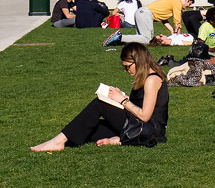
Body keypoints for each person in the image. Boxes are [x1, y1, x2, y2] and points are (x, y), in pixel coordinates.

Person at [31, 44, 168, 151]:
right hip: (139, 125)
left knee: (99, 104)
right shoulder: (143, 78)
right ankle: (119, 139)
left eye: (127, 67)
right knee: (89, 129)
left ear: (137, 62)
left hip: (150, 131)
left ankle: (57, 142)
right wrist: (122, 98)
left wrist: (122, 100)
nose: (126, 71)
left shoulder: (152, 80)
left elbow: (145, 115)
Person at [108, 0, 195, 46]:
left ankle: (116, 41)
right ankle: (120, 37)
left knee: (140, 39)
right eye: (189, 4)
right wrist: (178, 35)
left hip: (140, 12)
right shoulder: (177, 2)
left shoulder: (172, 0)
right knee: (148, 39)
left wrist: (171, 30)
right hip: (145, 14)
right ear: (186, 0)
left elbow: (163, 18)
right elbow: (177, 20)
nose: (187, 7)